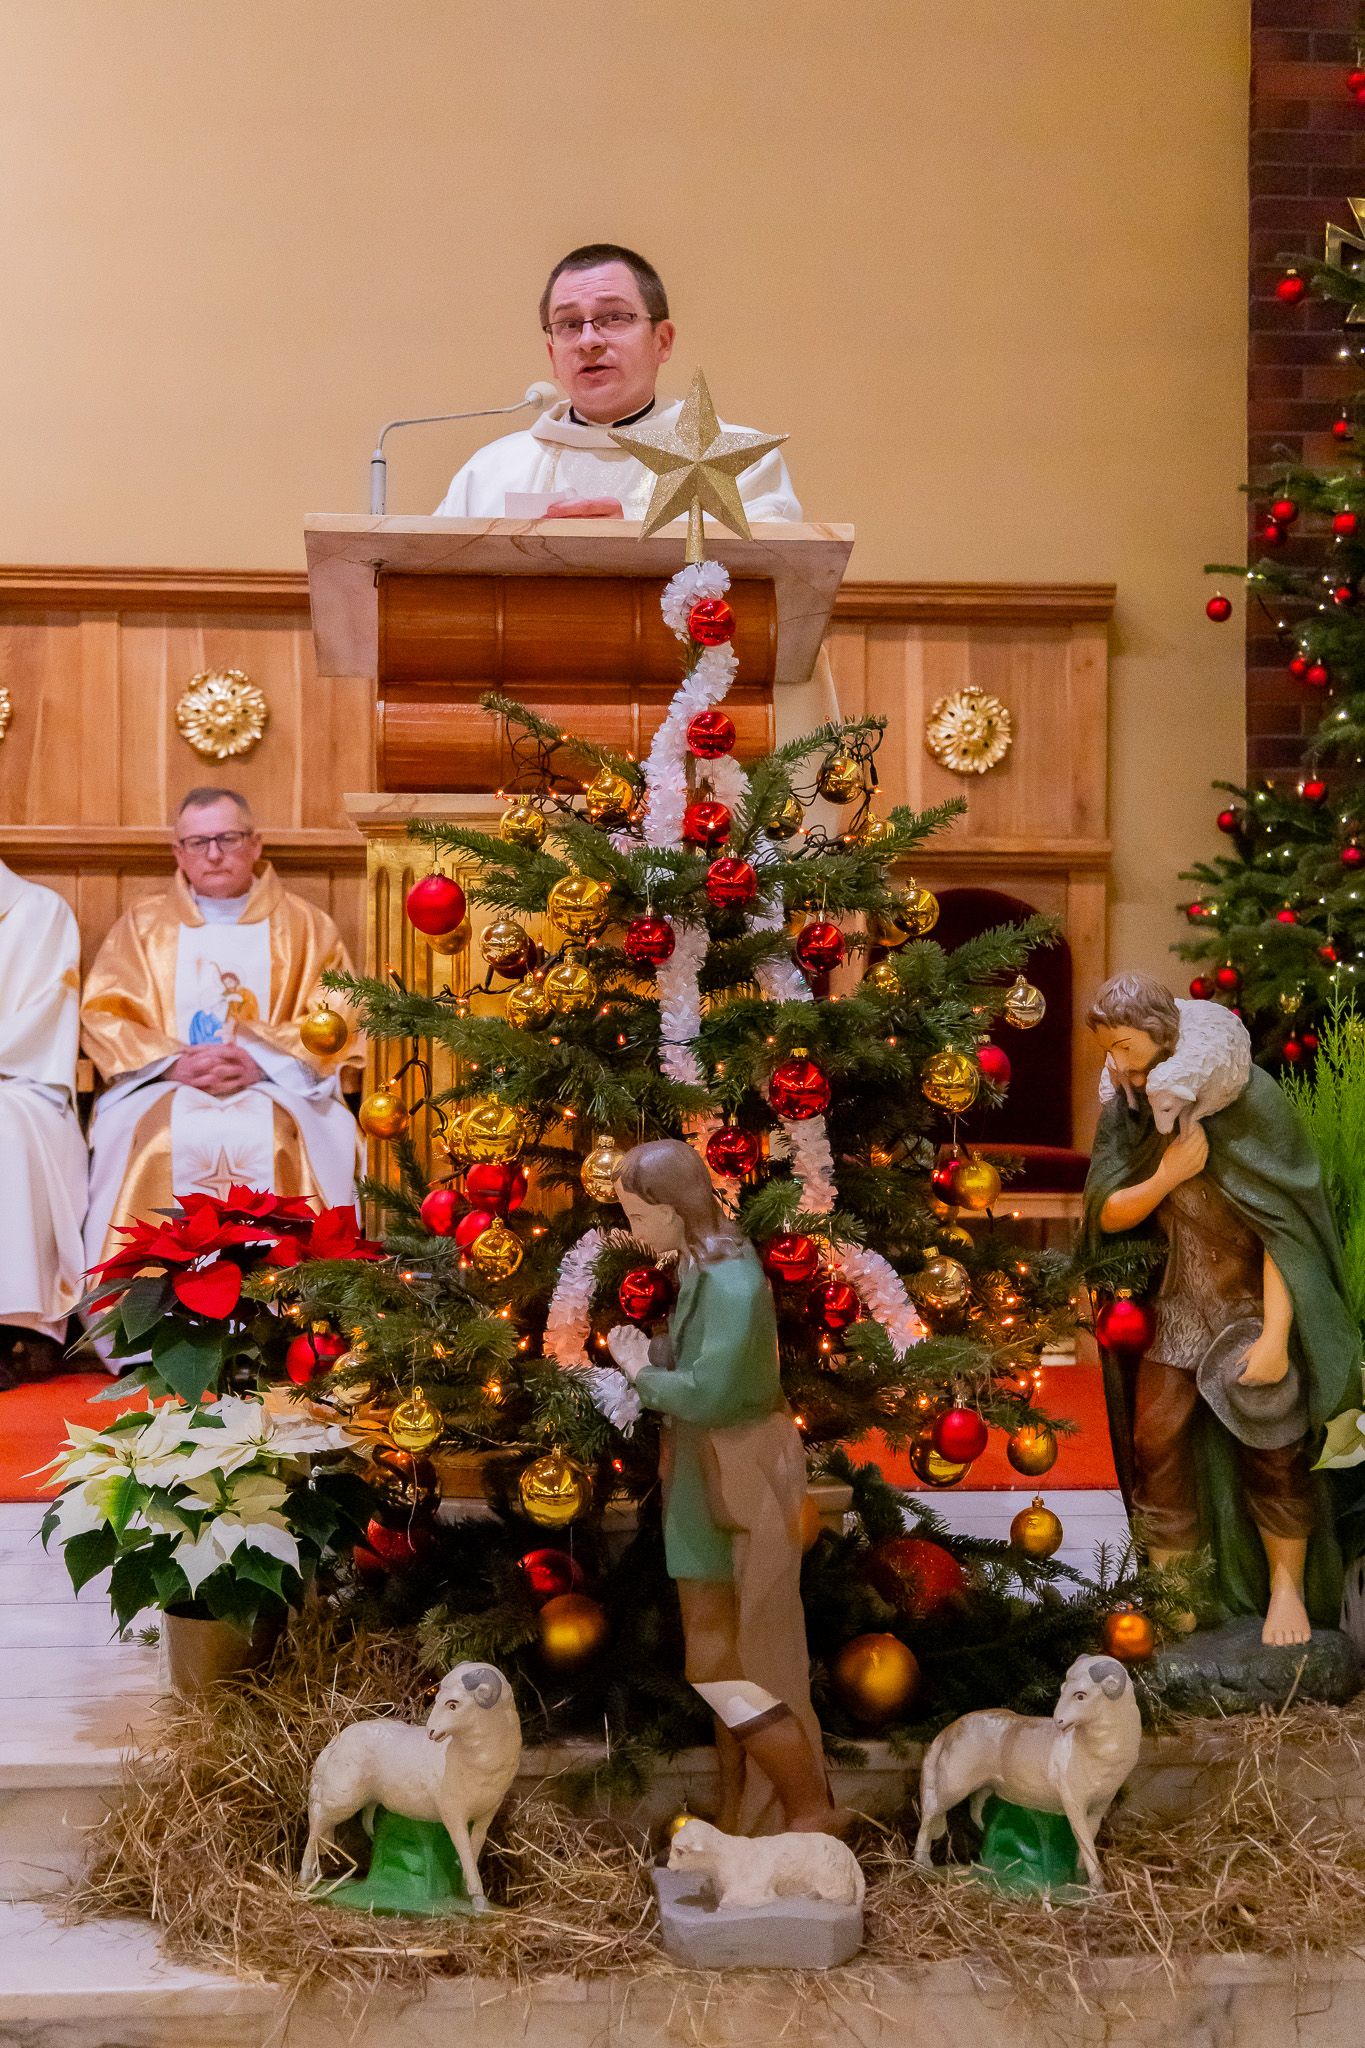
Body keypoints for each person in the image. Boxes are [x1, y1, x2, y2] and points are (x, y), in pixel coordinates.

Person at [1083, 973, 1357, 1648]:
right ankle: (1176, 1590)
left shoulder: (1249, 1098)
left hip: (1250, 1309)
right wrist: (1167, 1176)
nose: (1117, 1064)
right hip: (1174, 1313)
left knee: (1273, 1447)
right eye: (1108, 1050)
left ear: (1161, 1034)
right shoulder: (1128, 1110)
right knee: (1156, 1444)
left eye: (1124, 1046)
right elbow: (1106, 1213)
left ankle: (1287, 1589)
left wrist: (1276, 1337)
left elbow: (1285, 1231)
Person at [603, 1139, 840, 1837]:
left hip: (735, 1471)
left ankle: (808, 1810)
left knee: (731, 1658)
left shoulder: (732, 1279)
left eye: (640, 1217)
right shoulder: (702, 1265)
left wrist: (639, 1370)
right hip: (700, 1472)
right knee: (717, 1649)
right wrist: (655, 1352)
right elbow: (706, 1360)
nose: (635, 1232)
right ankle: (745, 1819)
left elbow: (713, 1390)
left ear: (676, 1207)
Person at [82, 789, 362, 1290]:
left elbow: (337, 1017)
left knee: (276, 1141)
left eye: (228, 838)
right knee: (158, 1144)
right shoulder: (143, 926)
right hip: (166, 1085)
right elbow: (104, 1014)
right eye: (198, 842)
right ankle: (141, 1310)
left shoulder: (306, 926)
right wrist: (172, 1065)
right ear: (178, 852)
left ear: (256, 844)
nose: (213, 854)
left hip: (275, 1086)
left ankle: (292, 1305)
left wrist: (261, 1061)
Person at [435, 243, 802, 524]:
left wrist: (630, 547)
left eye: (614, 317)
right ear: (552, 355)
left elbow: (763, 579)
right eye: (569, 324)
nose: (588, 341)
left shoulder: (735, 463)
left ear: (662, 341)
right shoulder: (488, 473)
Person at [0, 862, 88, 1386]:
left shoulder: (38, 912)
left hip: (17, 1078)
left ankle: (6, 1327)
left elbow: (39, 1019)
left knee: (5, 1129)